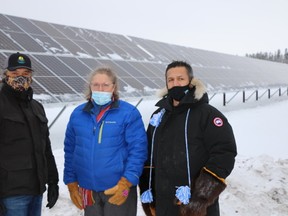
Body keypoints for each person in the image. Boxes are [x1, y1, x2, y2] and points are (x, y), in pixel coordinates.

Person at [139, 60, 237, 216]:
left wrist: (200, 198)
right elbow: (147, 156)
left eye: (180, 78)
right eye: (170, 80)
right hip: (163, 204)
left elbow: (224, 153)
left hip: (197, 208)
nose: (175, 83)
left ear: (191, 82)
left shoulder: (207, 114)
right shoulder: (158, 116)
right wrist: (148, 191)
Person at [63, 66, 148, 216]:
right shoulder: (78, 114)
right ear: (90, 86)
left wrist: (126, 182)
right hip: (88, 189)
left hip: (117, 188)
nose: (100, 89)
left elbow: (138, 150)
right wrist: (71, 182)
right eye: (96, 84)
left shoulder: (128, 113)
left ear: (113, 87)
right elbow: (70, 150)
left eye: (105, 85)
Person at [0, 52, 59, 216]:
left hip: (36, 191)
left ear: (31, 76)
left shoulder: (37, 107)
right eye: (15, 74)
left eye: (25, 74)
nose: (21, 78)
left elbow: (45, 149)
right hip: (10, 194)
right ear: (5, 74)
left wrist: (53, 181)